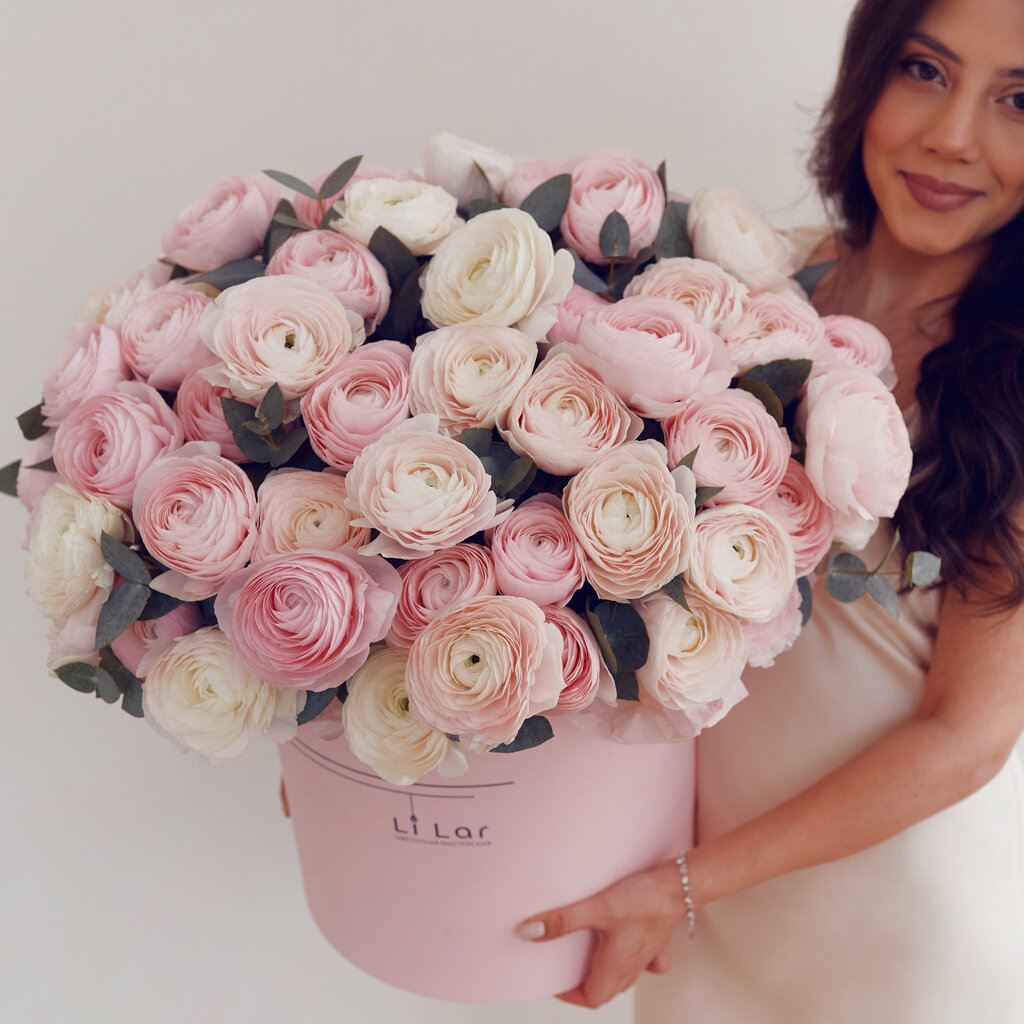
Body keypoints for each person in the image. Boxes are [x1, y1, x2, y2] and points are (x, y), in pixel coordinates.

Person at [516, 0, 1024, 1019]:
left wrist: (688, 883)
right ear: (868, 73)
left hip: (887, 929)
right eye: (925, 71)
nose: (952, 137)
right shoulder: (744, 289)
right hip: (690, 903)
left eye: (1019, 101)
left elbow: (966, 733)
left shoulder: (1007, 388)